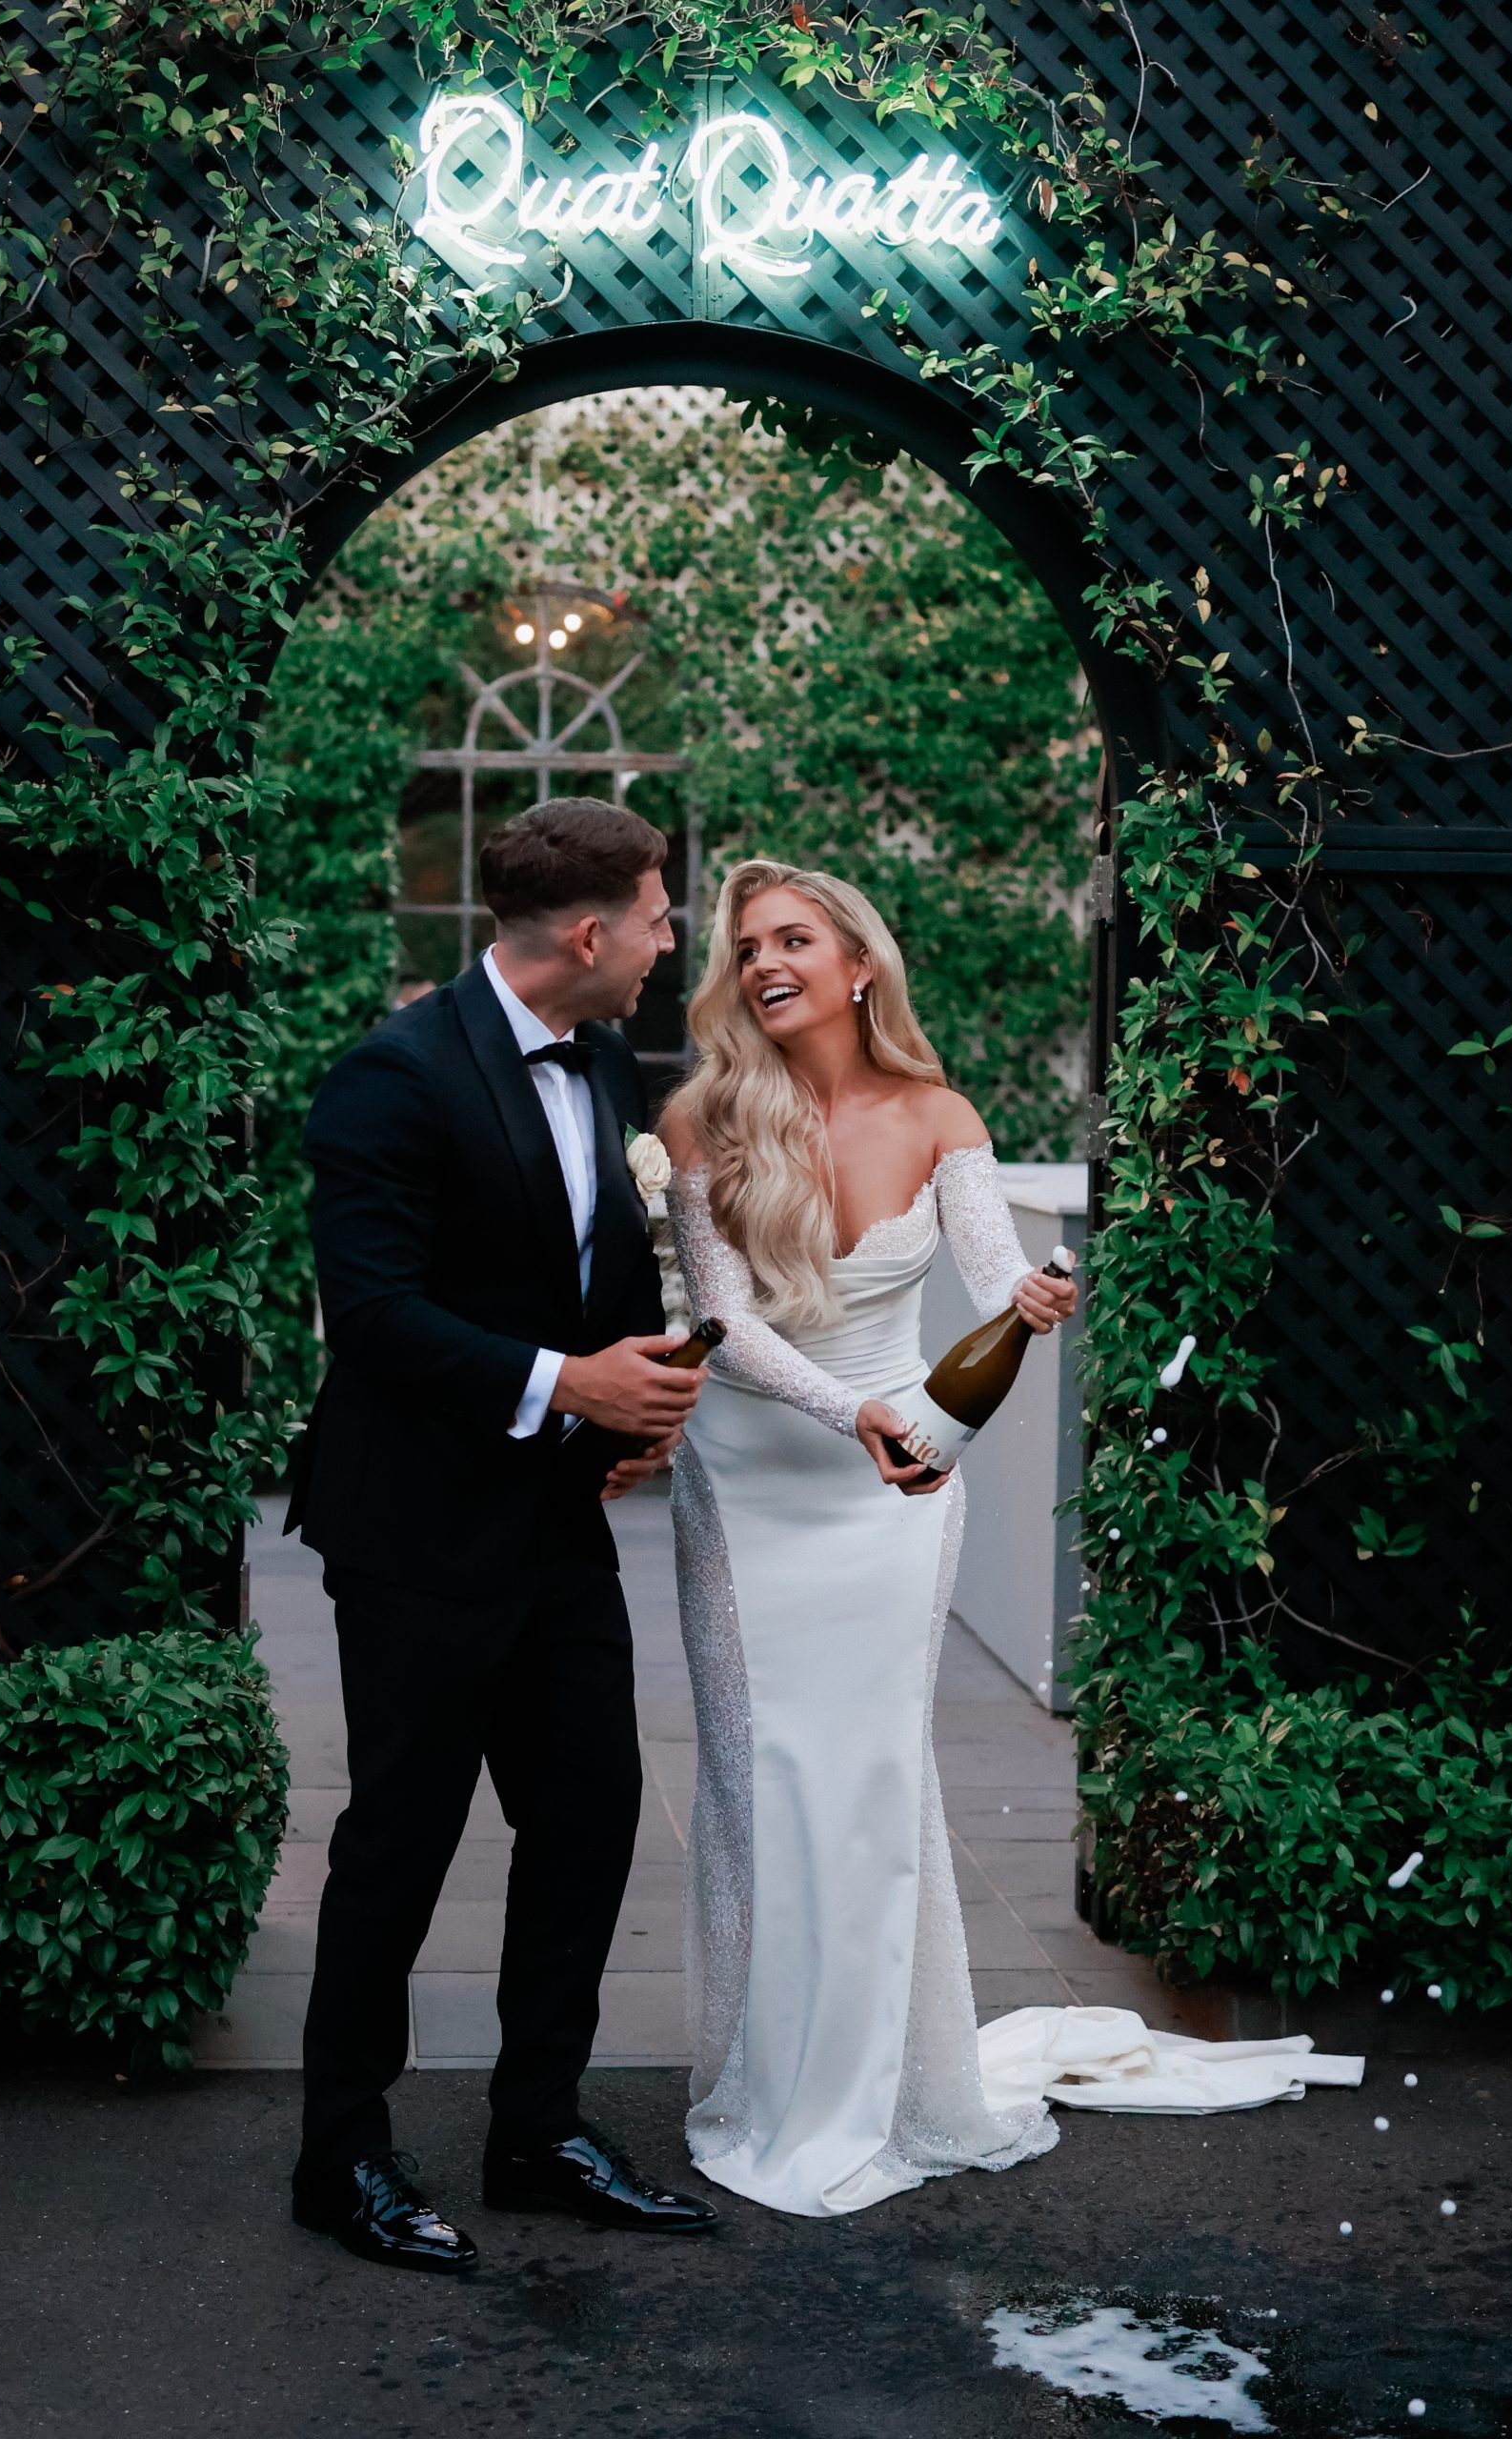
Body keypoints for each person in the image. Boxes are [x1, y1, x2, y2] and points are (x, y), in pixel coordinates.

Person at [284, 797, 719, 2271]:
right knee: (398, 1848)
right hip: (414, 1530)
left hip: (552, 1523)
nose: (673, 942)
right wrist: (560, 1383)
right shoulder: (388, 1079)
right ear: (591, 933)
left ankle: (538, 2129)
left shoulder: (599, 1056)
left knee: (590, 1822)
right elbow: (381, 1316)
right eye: (661, 917)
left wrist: (627, 1402)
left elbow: (572, 1260)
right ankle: (339, 2157)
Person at [659, 859, 1079, 2218]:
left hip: (899, 1491)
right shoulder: (701, 1119)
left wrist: (1026, 1294)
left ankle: (896, 2084)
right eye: (747, 946)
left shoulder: (939, 1111)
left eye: (795, 938)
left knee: (872, 1778)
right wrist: (859, 1415)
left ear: (858, 966)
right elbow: (727, 1330)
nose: (766, 960)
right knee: (757, 1779)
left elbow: (982, 1267)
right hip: (762, 1477)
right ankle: (761, 2077)